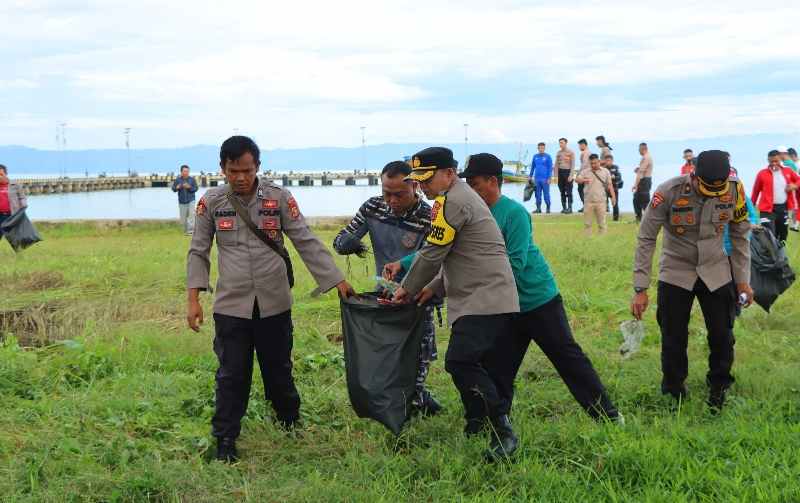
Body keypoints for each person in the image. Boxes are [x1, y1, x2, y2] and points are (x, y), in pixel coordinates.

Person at [186, 136, 355, 463]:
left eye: (247, 170)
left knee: (278, 366)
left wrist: (337, 280)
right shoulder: (211, 202)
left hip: (274, 301)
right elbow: (198, 250)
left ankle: (289, 420)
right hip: (231, 305)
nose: (240, 177)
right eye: (233, 170)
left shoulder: (279, 198)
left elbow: (304, 239)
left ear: (258, 167)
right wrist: (193, 299)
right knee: (232, 373)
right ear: (222, 168)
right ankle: (225, 438)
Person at [444, 154, 622, 422]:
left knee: (567, 358)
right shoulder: (469, 213)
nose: (471, 190)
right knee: (498, 367)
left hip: (538, 300)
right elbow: (445, 249)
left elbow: (514, 264)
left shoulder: (514, 213)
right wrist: (407, 264)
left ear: (493, 181)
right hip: (504, 304)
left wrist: (471, 288)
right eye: (467, 184)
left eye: (476, 183)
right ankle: (492, 424)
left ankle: (607, 415)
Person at [387, 148, 521, 461]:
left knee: (460, 362)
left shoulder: (454, 201)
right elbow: (460, 256)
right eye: (417, 181)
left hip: (485, 297)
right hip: (480, 295)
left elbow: (433, 253)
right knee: (475, 363)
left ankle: (502, 429)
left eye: (426, 179)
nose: (421, 186)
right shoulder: (455, 199)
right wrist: (432, 289)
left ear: (449, 173)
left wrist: (406, 289)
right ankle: (476, 424)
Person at [632, 150, 753, 412]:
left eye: (717, 190)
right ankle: (674, 389)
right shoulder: (668, 192)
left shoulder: (734, 189)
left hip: (716, 269)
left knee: (723, 335)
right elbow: (646, 238)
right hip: (676, 271)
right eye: (707, 188)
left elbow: (741, 234)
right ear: (694, 175)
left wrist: (743, 281)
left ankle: (720, 386)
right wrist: (641, 287)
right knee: (673, 335)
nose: (712, 195)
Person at [332, 160, 441, 416]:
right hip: (386, 296)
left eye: (399, 194)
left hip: (418, 297)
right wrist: (350, 244)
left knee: (416, 357)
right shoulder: (372, 207)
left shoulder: (430, 217)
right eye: (386, 192)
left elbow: (436, 257)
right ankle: (416, 401)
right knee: (387, 357)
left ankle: (412, 406)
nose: (391, 200)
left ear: (415, 186)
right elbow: (339, 241)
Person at [751, 150, 800, 243]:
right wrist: (751, 207)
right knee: (769, 235)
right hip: (766, 209)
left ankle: (780, 255)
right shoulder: (762, 174)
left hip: (783, 208)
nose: (774, 164)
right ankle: (770, 256)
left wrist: (795, 185)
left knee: (782, 235)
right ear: (768, 161)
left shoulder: (788, 171)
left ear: (780, 160)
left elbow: (798, 180)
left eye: (776, 161)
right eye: (771, 161)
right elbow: (755, 191)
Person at [576, 154, 616, 236]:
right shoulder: (585, 171)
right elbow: (577, 179)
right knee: (587, 224)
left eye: (595, 163)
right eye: (591, 163)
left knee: (602, 224)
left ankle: (602, 241)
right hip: (588, 201)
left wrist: (613, 197)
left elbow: (610, 185)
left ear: (599, 161)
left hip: (601, 201)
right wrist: (583, 180)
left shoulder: (605, 171)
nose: (593, 165)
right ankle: (587, 240)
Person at [0, 164, 28, 243]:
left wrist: (23, 205)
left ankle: (19, 251)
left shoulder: (15, 185)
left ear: (6, 174)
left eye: (1, 174)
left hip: (12, 215)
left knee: (13, 236)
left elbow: (22, 197)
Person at [172, 165, 198, 235]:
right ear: (181, 172)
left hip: (191, 200)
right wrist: (177, 187)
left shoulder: (192, 180)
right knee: (183, 219)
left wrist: (189, 187)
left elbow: (196, 189)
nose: (186, 172)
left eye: (187, 171)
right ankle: (186, 231)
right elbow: (173, 189)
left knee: (191, 215)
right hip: (182, 201)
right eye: (184, 171)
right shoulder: (178, 180)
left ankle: (191, 231)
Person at [633, 142, 654, 222]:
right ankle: (639, 218)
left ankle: (648, 219)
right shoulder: (648, 157)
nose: (638, 151)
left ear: (643, 149)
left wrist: (635, 185)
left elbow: (641, 173)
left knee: (644, 201)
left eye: (639, 149)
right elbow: (642, 170)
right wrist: (638, 170)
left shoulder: (646, 157)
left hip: (644, 181)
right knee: (636, 200)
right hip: (646, 180)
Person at [529, 142, 553, 214]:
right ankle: (538, 209)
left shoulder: (548, 157)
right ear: (538, 148)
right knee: (537, 195)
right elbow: (533, 167)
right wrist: (530, 176)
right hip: (537, 179)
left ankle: (548, 208)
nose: (541, 149)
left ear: (544, 148)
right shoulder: (535, 156)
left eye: (543, 148)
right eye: (540, 148)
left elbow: (550, 168)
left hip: (545, 180)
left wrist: (549, 178)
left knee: (546, 195)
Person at [555, 138, 576, 214]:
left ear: (566, 143)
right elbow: (556, 164)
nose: (560, 144)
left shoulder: (571, 152)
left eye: (562, 143)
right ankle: (564, 208)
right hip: (560, 172)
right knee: (562, 191)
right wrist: (555, 176)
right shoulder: (558, 153)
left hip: (568, 172)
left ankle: (570, 208)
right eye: (559, 143)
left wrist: (571, 175)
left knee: (569, 191)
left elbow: (573, 164)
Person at [603, 154, 623, 221]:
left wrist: (614, 177)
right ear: (605, 161)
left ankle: (615, 219)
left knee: (615, 203)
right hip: (605, 189)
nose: (608, 162)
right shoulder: (603, 169)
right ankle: (602, 219)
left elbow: (619, 178)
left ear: (612, 161)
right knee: (603, 204)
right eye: (607, 160)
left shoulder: (616, 168)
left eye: (609, 160)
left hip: (614, 188)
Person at [576, 139, 591, 212]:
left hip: (585, 174)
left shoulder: (586, 153)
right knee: (584, 190)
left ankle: (586, 206)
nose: (579, 147)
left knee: (581, 190)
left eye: (579, 145)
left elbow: (584, 165)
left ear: (583, 145)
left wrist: (578, 174)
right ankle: (586, 206)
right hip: (588, 174)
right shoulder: (588, 152)